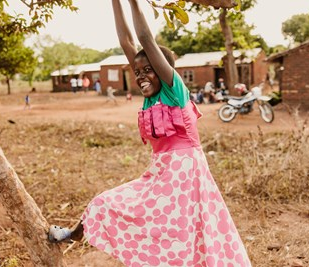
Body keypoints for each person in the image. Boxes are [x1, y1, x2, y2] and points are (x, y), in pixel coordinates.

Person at [48, 0, 252, 266]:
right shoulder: (149, 99)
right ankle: (74, 235)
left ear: (163, 71)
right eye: (137, 72)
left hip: (187, 178)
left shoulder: (174, 91)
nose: (142, 76)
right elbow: (126, 41)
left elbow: (144, 38)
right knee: (105, 203)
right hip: (159, 175)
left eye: (148, 70)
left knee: (185, 236)